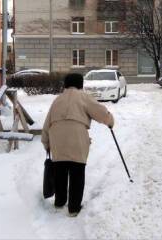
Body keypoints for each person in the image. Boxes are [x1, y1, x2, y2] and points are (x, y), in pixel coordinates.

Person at [41, 73, 114, 217]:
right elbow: (101, 112)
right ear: (80, 84)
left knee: (60, 171)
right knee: (77, 172)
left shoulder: (57, 100)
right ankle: (73, 208)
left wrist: (46, 142)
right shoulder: (84, 97)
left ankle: (60, 202)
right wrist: (110, 121)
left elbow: (46, 123)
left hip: (57, 139)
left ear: (65, 84)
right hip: (77, 139)